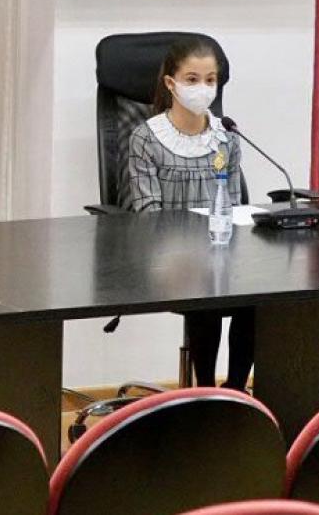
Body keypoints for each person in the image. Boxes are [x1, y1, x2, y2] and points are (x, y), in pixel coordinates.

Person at [121, 35, 254, 391]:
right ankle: (206, 391)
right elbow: (147, 213)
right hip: (164, 257)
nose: (203, 88)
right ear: (171, 83)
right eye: (192, 80)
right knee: (205, 294)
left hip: (219, 254)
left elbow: (236, 206)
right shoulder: (146, 138)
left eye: (210, 80)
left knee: (262, 296)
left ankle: (237, 391)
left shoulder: (226, 137)